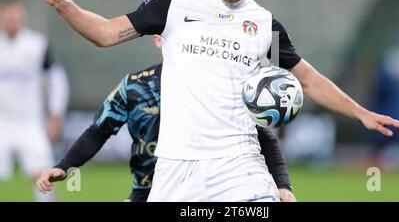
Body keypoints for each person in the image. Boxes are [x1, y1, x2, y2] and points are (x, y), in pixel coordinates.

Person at [24, 0, 399, 201]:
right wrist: (61, 2)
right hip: (177, 167)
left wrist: (361, 113)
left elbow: (308, 79)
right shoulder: (175, 5)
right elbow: (105, 33)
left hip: (239, 165)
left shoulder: (263, 24)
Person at [35, 35, 296, 202]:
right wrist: (65, 165)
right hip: (147, 193)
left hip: (205, 191)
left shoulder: (215, 87)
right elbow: (99, 131)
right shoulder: (134, 86)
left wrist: (283, 185)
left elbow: (261, 137)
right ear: (159, 40)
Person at [0, 0, 69, 202]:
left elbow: (57, 80)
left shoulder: (37, 45)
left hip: (30, 121)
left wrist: (56, 115)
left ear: (23, 15)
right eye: (7, 13)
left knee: (42, 176)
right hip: (1, 121)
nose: (12, 17)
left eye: (16, 12)